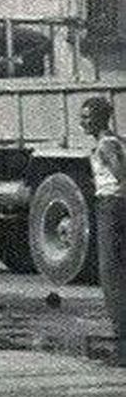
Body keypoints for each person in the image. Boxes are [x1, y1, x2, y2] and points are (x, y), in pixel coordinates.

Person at [81, 96, 125, 358]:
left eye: (87, 117)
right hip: (117, 205)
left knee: (110, 272)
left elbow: (121, 174)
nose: (82, 122)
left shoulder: (106, 145)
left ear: (100, 118)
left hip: (112, 206)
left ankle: (121, 331)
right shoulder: (117, 141)